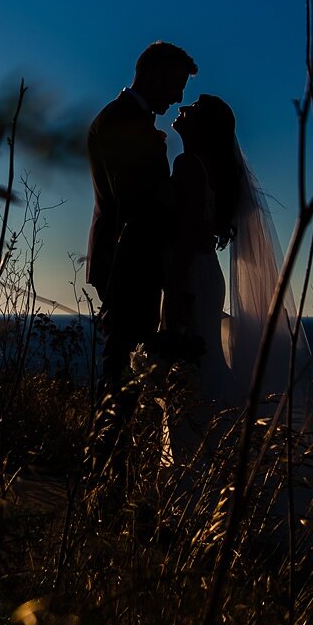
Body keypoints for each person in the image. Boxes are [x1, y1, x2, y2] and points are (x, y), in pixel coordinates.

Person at [162, 94, 311, 427]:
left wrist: (172, 295)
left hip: (188, 276)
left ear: (205, 127)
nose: (183, 108)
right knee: (205, 360)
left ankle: (205, 450)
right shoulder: (209, 172)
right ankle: (222, 442)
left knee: (189, 366)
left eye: (195, 108)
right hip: (205, 276)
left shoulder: (188, 166)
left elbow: (185, 239)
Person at [86, 41, 196, 403]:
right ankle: (105, 455)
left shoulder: (128, 120)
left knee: (126, 373)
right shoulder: (121, 121)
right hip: (127, 261)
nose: (179, 96)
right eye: (177, 84)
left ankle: (111, 452)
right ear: (155, 74)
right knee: (120, 377)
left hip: (132, 259)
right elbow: (135, 201)